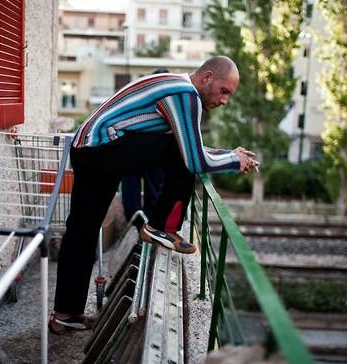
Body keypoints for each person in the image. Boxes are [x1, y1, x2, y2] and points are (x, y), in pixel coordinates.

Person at [49, 56, 259, 334]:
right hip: (101, 150)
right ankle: (162, 226)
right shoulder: (186, 95)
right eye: (224, 91)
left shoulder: (178, 85)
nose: (224, 101)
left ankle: (66, 314)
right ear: (207, 77)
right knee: (176, 152)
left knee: (82, 232)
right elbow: (193, 159)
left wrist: (230, 156)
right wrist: (232, 160)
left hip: (90, 148)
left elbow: (192, 147)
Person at [120, 68, 168, 228]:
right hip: (136, 153)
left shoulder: (141, 98)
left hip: (146, 154)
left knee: (146, 200)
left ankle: (141, 231)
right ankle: (140, 231)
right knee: (137, 201)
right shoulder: (148, 100)